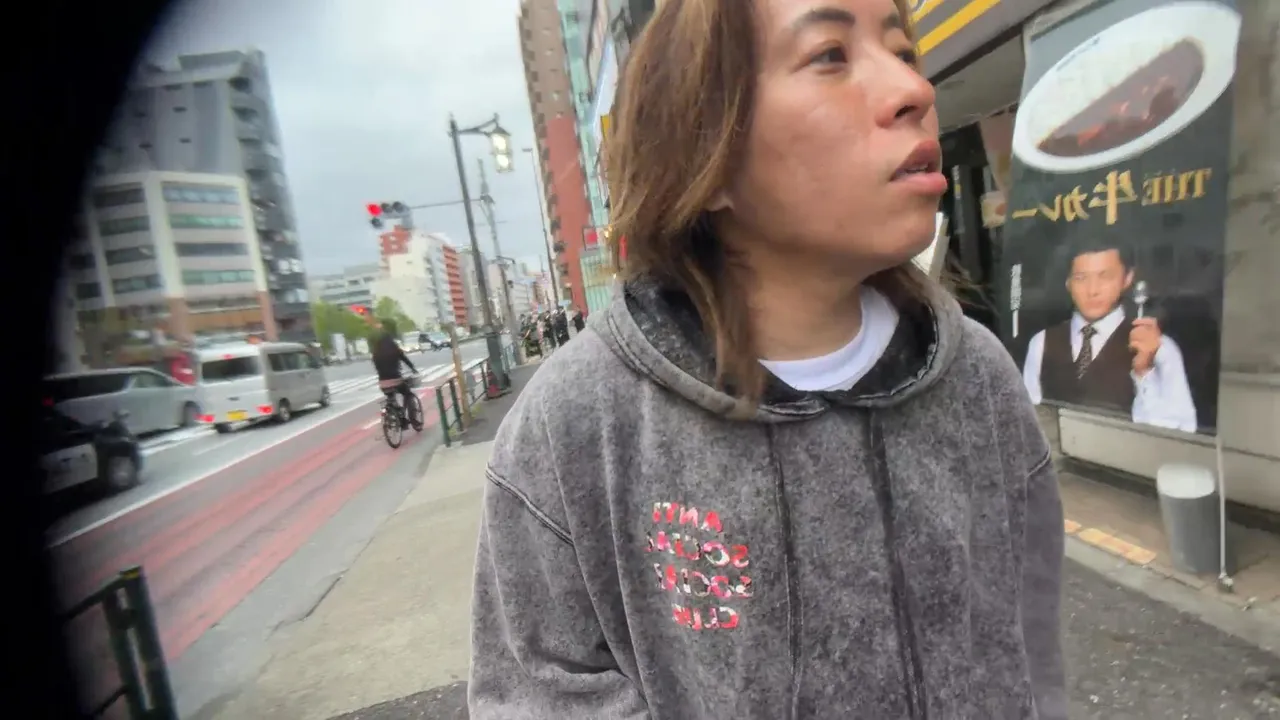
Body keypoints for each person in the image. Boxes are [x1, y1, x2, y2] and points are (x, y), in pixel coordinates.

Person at [468, 1, 1065, 718]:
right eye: (830, 55)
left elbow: (1029, 647)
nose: (915, 89)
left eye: (903, 52)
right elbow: (537, 690)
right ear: (707, 153)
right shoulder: (578, 422)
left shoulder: (979, 377)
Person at [1021, 236, 1197, 432]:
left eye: (1105, 277)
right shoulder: (1042, 342)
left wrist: (1144, 372)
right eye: (1081, 278)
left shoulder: (1161, 348)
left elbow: (1178, 434)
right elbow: (1028, 424)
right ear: (1068, 283)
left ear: (1127, 279)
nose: (1092, 291)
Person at [370, 318, 418, 417]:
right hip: (396, 379)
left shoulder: (376, 352)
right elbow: (404, 359)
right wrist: (413, 368)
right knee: (407, 392)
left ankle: (392, 412)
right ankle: (411, 416)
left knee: (390, 396)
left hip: (383, 383)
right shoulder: (393, 348)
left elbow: (376, 365)